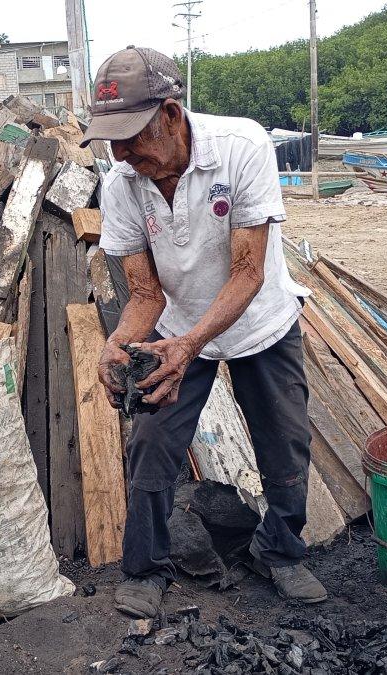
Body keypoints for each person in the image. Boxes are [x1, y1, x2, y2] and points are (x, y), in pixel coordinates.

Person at [78, 46, 328, 619]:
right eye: (112, 140)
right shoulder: (123, 184)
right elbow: (145, 293)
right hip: (175, 328)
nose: (121, 153)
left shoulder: (242, 148)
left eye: (132, 137)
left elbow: (248, 272)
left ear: (170, 115)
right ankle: (146, 569)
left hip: (260, 320)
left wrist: (191, 347)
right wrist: (116, 346)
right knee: (152, 443)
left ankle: (281, 554)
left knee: (284, 441)